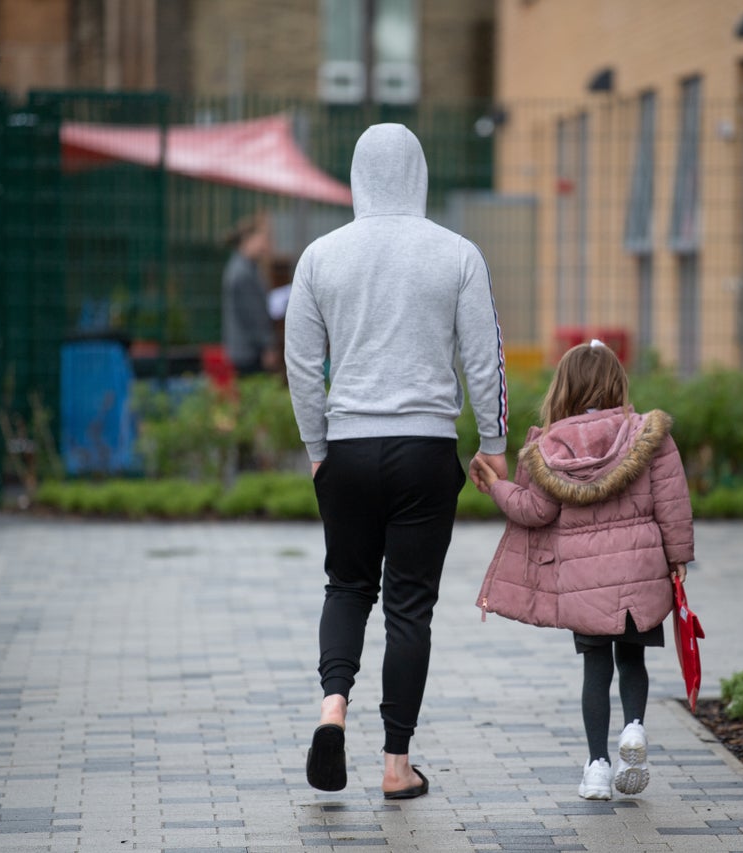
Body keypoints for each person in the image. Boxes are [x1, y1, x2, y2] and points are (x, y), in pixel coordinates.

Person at [284, 123, 509, 799]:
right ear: (420, 174)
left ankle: (332, 706)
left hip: (348, 448)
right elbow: (483, 357)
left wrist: (317, 447)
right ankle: (394, 764)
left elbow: (300, 363)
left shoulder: (321, 256)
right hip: (425, 450)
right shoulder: (457, 254)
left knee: (346, 585)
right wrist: (493, 444)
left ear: (355, 176)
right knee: (410, 607)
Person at [471, 340, 693, 801]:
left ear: (564, 388)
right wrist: (678, 558)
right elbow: (673, 504)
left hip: (582, 580)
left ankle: (596, 767)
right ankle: (634, 729)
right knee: (633, 658)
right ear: (617, 383)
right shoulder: (650, 435)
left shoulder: (547, 448)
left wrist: (496, 486)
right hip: (641, 570)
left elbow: (534, 511)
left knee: (596, 667)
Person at [221, 212, 278, 376]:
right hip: (250, 352)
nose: (265, 246)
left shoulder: (245, 268)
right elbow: (253, 315)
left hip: (245, 349)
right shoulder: (243, 273)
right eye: (262, 240)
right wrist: (267, 345)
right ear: (247, 239)